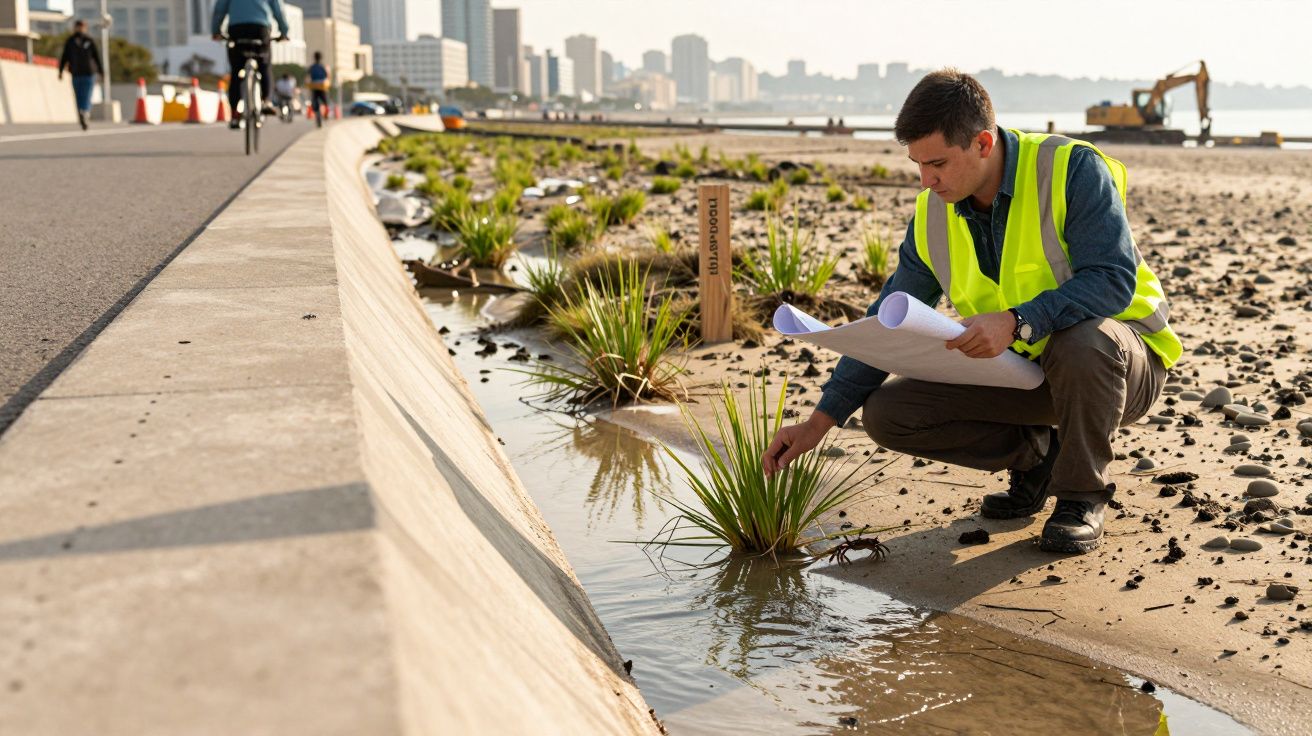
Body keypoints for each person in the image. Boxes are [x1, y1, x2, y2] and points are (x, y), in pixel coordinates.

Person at [762, 69, 1180, 554]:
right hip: (1025, 374)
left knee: (1083, 341)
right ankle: (1037, 457)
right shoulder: (932, 211)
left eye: (937, 162)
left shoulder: (1072, 170)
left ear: (983, 143)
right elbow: (885, 325)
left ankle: (1081, 496)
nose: (926, 180)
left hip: (1122, 368)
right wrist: (817, 424)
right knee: (889, 414)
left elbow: (1112, 278)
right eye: (918, 164)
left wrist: (1017, 321)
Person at [211, 0, 290, 128]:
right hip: (261, 29)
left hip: (237, 30)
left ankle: (235, 113)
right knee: (264, 65)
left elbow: (219, 10)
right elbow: (278, 11)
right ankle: (267, 102)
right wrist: (284, 31)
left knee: (236, 71)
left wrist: (216, 31)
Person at [58, 20, 104, 131]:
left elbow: (96, 57)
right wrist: (60, 71)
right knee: (78, 95)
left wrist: (101, 71)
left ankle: (85, 112)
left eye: (81, 27)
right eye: (78, 27)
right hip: (76, 73)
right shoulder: (70, 41)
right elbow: (64, 57)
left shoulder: (89, 41)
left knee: (87, 95)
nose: (79, 29)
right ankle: (82, 113)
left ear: (85, 28)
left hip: (89, 73)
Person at [306, 51, 331, 123]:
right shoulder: (323, 67)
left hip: (314, 86)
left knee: (314, 100)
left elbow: (308, 76)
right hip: (322, 86)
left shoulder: (312, 67)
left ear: (314, 58)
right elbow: (327, 76)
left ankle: (316, 111)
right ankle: (326, 114)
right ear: (321, 58)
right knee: (325, 101)